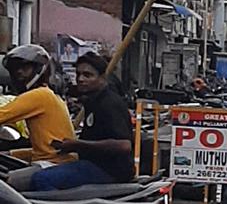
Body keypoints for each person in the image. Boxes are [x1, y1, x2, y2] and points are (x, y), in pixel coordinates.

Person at [29, 52, 133, 191]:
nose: (81, 79)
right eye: (78, 74)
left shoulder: (109, 103)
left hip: (108, 170)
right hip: (93, 164)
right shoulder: (93, 100)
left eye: (87, 75)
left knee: (41, 179)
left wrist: (78, 144)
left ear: (102, 78)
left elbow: (124, 145)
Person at [0, 45, 77, 190]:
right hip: (53, 162)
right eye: (16, 69)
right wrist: (9, 154)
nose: (19, 73)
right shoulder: (49, 94)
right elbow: (45, 149)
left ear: (38, 69)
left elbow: (2, 114)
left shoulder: (39, 95)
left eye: (25, 67)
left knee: (5, 188)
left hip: (51, 166)